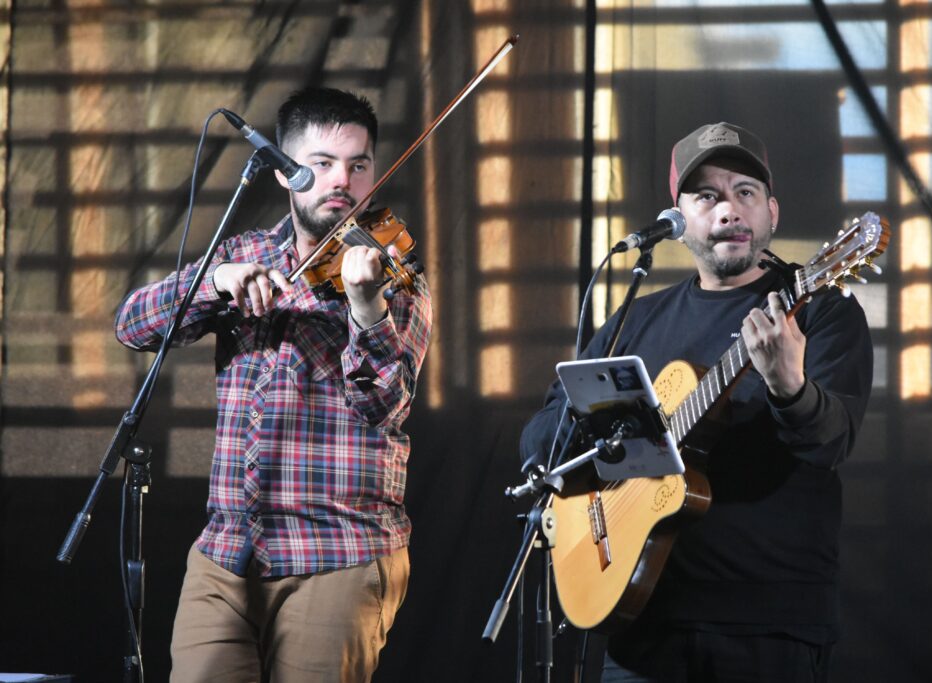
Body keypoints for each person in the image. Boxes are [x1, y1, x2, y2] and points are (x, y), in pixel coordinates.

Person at [520, 122, 873, 682]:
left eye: (745, 192)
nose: (728, 209)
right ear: (679, 221)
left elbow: (831, 443)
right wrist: (611, 448)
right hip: (640, 624)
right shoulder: (635, 319)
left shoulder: (819, 311)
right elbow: (542, 434)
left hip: (767, 628)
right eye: (707, 196)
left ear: (772, 214)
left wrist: (790, 388)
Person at [115, 87, 432, 682]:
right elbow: (132, 325)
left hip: (338, 551)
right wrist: (214, 282)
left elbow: (385, 404)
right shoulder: (242, 254)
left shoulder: (395, 280)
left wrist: (366, 311)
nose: (342, 180)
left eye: (358, 165)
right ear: (286, 174)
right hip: (228, 552)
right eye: (321, 164)